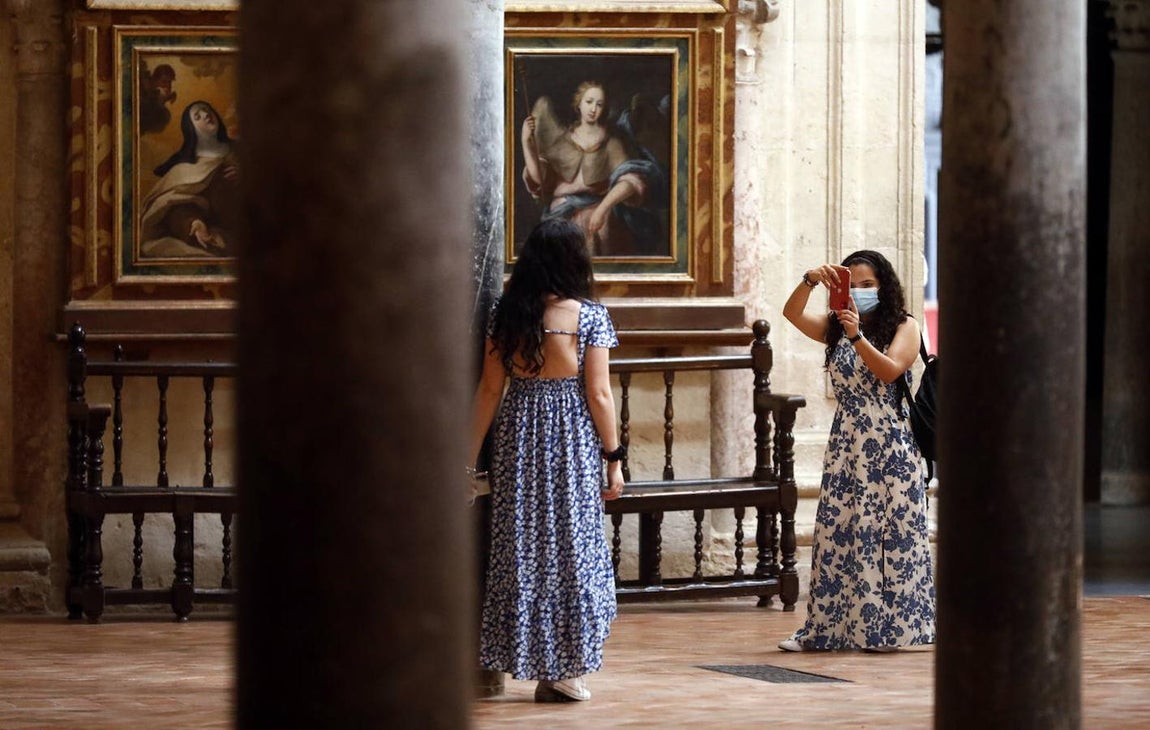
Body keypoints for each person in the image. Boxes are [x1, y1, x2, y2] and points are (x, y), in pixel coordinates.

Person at [468, 218, 625, 701]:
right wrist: (614, 457)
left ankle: (532, 658)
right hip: (570, 440)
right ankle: (564, 670)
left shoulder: (506, 312)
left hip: (517, 437)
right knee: (572, 549)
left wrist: (466, 459)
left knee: (523, 549)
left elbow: (490, 390)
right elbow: (598, 393)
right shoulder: (591, 315)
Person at [777, 250, 935, 652]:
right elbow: (791, 314)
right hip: (848, 440)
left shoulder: (904, 325)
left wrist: (857, 337)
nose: (863, 292)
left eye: (869, 285)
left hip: (890, 443)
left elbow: (889, 370)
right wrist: (810, 280)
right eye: (855, 285)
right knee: (840, 531)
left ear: (884, 286)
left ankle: (887, 631)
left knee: (887, 534)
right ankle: (826, 628)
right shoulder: (836, 325)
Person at [520, 81, 666, 257]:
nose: (593, 109)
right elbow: (539, 181)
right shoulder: (561, 141)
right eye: (589, 102)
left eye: (599, 104)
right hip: (561, 218)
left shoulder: (612, 142)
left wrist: (603, 209)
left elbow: (631, 181)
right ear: (579, 104)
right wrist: (526, 143)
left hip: (601, 220)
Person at [138, 100, 239, 258]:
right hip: (223, 231)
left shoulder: (242, 149)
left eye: (206, 110)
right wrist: (193, 223)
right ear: (191, 129)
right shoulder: (183, 170)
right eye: (197, 116)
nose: (206, 115)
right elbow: (173, 206)